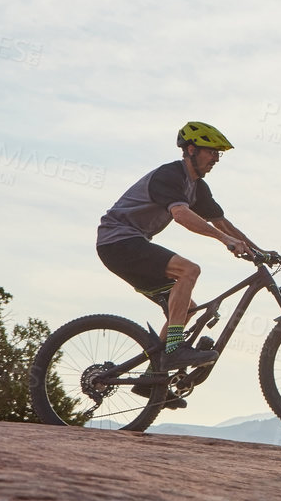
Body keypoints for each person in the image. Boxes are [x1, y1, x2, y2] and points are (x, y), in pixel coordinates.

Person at [96, 122, 265, 370]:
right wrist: (225, 240)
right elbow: (181, 215)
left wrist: (260, 251)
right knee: (189, 270)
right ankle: (174, 351)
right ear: (192, 149)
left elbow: (221, 222)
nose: (216, 159)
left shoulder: (197, 187)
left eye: (219, 154)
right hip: (118, 241)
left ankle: (153, 379)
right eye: (212, 151)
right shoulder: (170, 175)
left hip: (128, 245)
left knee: (186, 309)